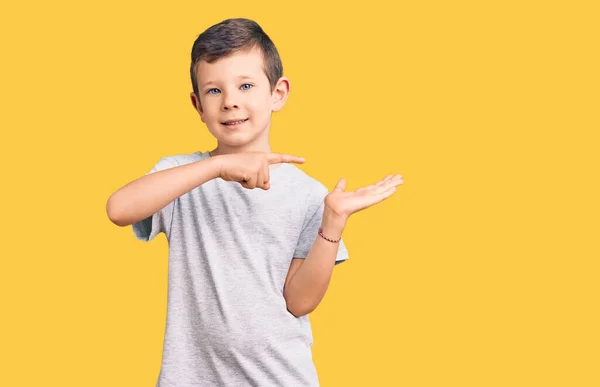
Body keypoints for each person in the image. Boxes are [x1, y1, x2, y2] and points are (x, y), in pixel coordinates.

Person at [106, 17, 403, 387]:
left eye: (245, 85)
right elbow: (119, 209)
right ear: (198, 105)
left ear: (277, 93)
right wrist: (217, 167)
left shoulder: (309, 194)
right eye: (214, 91)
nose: (230, 102)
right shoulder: (181, 175)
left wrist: (333, 222)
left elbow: (299, 302)